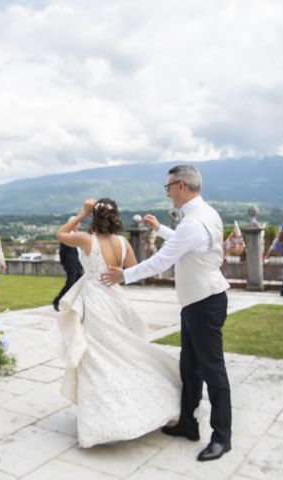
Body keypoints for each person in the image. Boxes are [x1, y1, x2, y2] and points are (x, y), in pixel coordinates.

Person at [101, 165, 232, 462]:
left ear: (181, 186)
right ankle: (188, 423)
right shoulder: (202, 215)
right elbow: (186, 242)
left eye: (168, 187)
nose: (168, 192)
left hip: (204, 304)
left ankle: (222, 437)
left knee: (213, 371)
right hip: (197, 302)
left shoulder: (193, 222)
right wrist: (160, 229)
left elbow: (161, 261)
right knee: (190, 367)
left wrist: (125, 275)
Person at [56, 198, 181, 448]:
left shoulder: (86, 240)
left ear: (95, 217)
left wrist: (82, 212)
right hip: (116, 299)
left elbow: (61, 233)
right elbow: (133, 269)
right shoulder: (123, 242)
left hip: (94, 302)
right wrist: (116, 274)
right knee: (123, 354)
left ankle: (105, 421)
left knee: (96, 360)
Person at [52, 217, 84, 311]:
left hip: (78, 263)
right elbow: (62, 251)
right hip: (70, 263)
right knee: (70, 282)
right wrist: (65, 263)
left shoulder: (77, 235)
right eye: (77, 223)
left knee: (78, 283)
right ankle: (57, 301)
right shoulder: (66, 235)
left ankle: (73, 303)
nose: (79, 224)